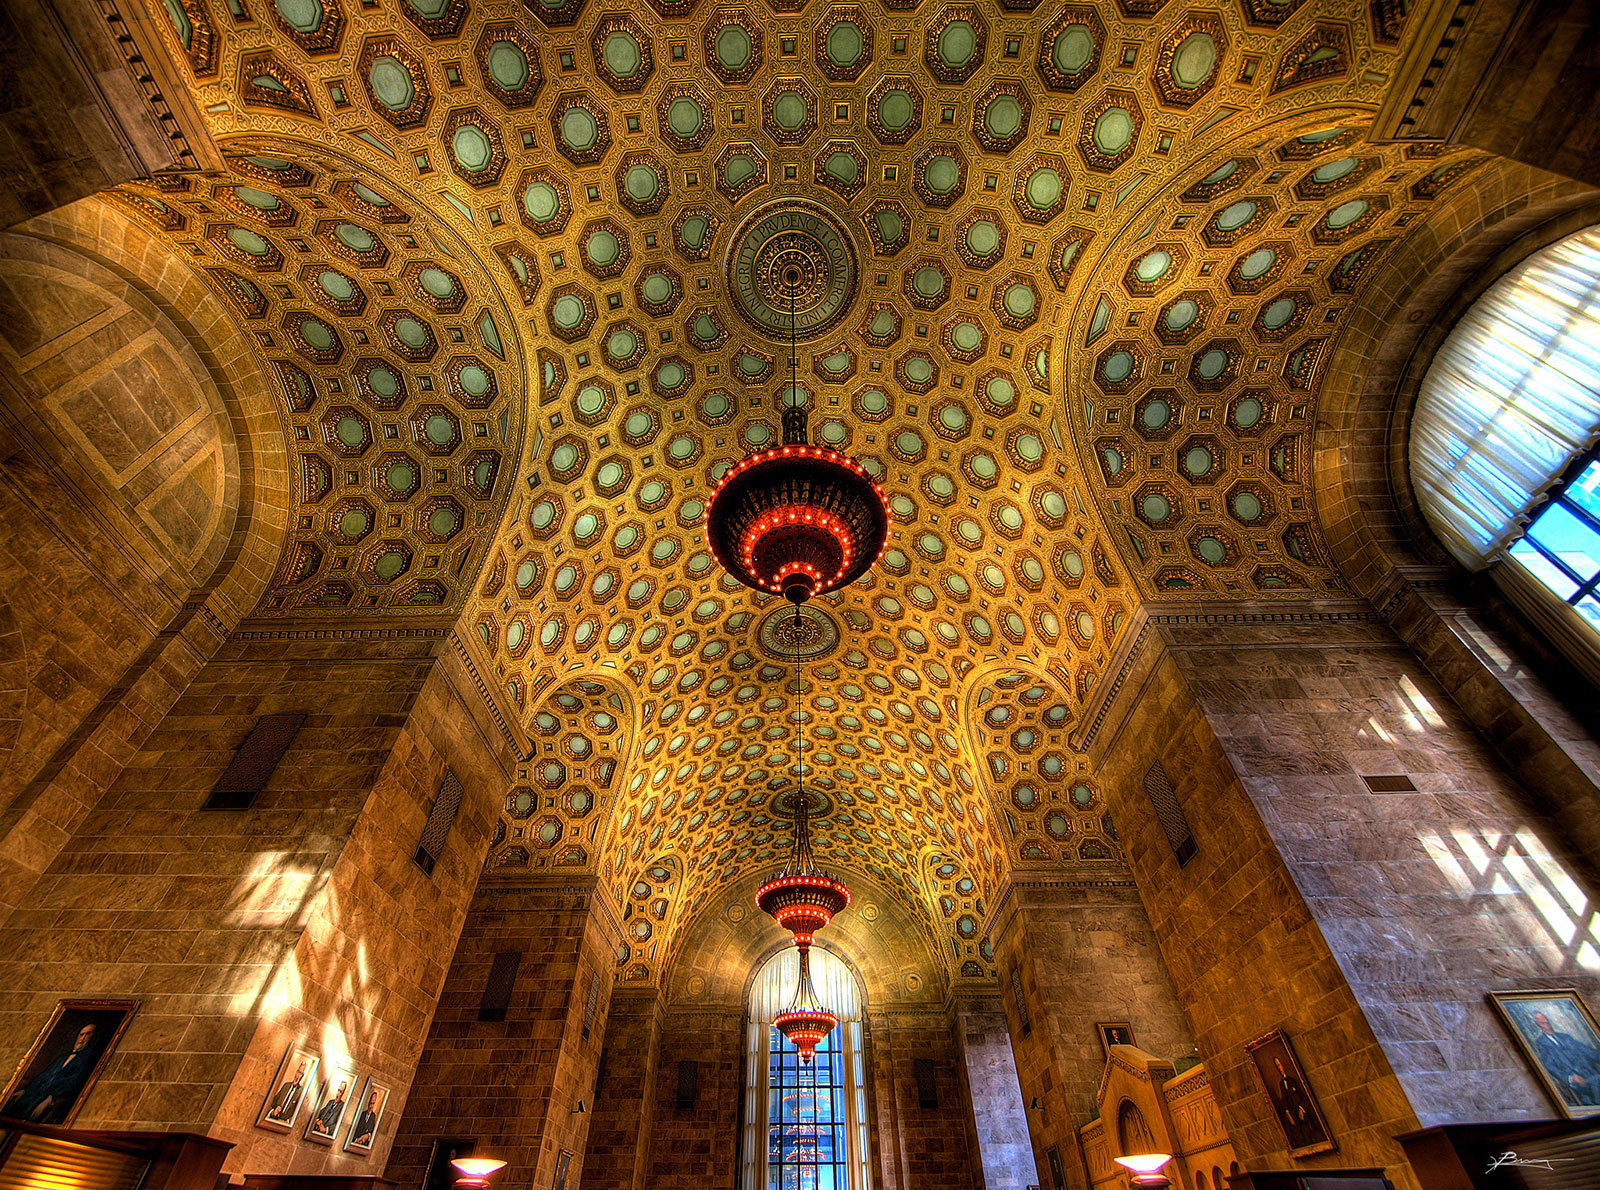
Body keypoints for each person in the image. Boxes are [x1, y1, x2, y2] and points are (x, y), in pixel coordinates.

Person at [1, 1022, 101, 1124]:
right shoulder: (63, 1057)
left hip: (48, 1100)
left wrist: (49, 1099)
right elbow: (43, 1075)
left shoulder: (87, 1059)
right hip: (33, 1094)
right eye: (81, 1034)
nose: (83, 1038)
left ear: (93, 1037)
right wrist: (25, 1091)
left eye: (88, 1034)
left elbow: (72, 1084)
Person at [1529, 1009, 1600, 1105]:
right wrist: (1570, 1078)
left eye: (1547, 1022)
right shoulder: (1541, 1043)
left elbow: (1587, 1050)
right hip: (1577, 1082)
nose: (1547, 1025)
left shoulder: (1565, 1037)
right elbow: (1551, 1066)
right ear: (1538, 1025)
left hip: (1591, 1073)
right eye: (1543, 1023)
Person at [1272, 1056, 1321, 1150]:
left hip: (1302, 1114)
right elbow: (1285, 1101)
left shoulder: (1292, 1080)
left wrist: (1302, 1109)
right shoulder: (1281, 1084)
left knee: (1309, 1136)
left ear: (1283, 1065)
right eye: (1276, 1066)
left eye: (1279, 1065)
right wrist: (1288, 1114)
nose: (1279, 1068)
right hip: (1293, 1116)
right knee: (1300, 1140)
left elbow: (1303, 1096)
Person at [265, 1060, 309, 1125]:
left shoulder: (301, 1092)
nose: (298, 1076)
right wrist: (273, 1111)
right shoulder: (286, 1086)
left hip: (285, 1122)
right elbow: (274, 1101)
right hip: (274, 1117)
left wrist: (288, 1122)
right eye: (298, 1072)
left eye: (301, 1074)